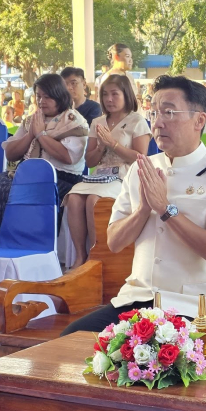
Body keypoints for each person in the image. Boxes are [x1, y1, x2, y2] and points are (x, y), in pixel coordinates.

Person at [60, 75, 206, 411]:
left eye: (170, 112)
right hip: (137, 296)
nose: (158, 122)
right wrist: (145, 207)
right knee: (72, 341)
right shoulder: (141, 169)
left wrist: (166, 209)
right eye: (155, 111)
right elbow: (114, 241)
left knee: (159, 350)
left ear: (200, 119)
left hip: (191, 304)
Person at [63, 74, 151, 268]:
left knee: (94, 200)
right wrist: (101, 147)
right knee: (74, 198)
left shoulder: (137, 121)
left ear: (126, 94)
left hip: (125, 175)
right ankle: (80, 255)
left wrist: (113, 144)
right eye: (105, 94)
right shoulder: (98, 122)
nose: (109, 99)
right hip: (100, 176)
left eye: (114, 94)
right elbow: (90, 161)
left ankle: (97, 255)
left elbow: (140, 157)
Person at [0, 74, 87, 237]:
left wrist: (41, 134)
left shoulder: (73, 121)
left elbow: (68, 157)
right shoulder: (32, 120)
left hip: (60, 176)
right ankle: (3, 240)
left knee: (35, 190)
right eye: (38, 96)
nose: (41, 101)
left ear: (59, 96)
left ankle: (37, 241)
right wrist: (31, 135)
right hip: (27, 173)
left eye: (47, 97)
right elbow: (10, 154)